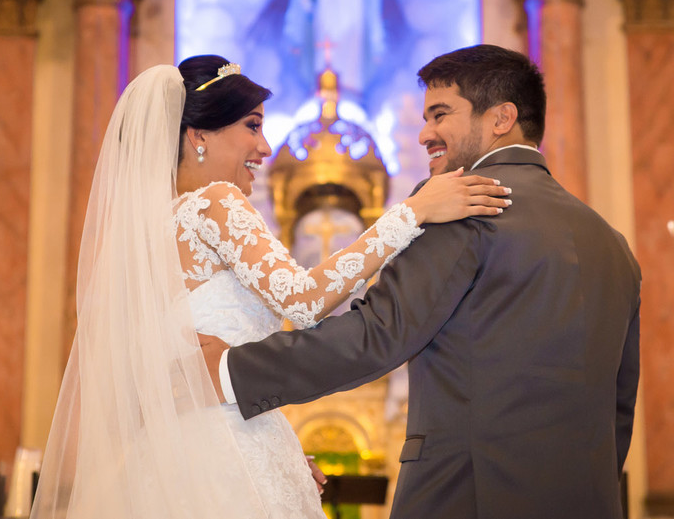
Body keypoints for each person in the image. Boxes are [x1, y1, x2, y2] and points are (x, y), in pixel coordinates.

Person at [29, 55, 510, 519]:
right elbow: (303, 301)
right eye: (252, 126)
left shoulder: (147, 233)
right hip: (221, 457)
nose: (264, 147)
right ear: (198, 136)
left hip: (165, 458)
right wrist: (414, 211)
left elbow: (151, 377)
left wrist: (266, 453)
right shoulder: (215, 203)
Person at [202, 44, 643, 519]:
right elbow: (619, 407)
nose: (424, 134)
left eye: (440, 114)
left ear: (502, 118)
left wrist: (232, 370)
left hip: (466, 496)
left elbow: (376, 335)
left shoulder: (462, 205)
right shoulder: (615, 246)